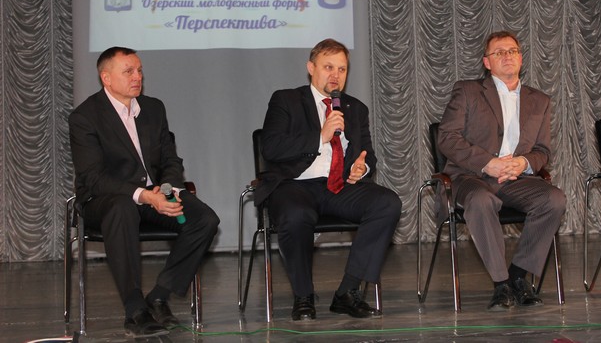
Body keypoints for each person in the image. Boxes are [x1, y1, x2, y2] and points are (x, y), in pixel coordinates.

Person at [69, 47, 220, 337]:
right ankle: (135, 310)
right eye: (128, 71)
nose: (137, 77)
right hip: (104, 201)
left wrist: (166, 190)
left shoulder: (153, 109)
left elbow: (170, 160)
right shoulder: (85, 117)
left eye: (139, 70)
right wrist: (145, 195)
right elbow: (93, 178)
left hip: (154, 195)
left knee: (204, 219)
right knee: (122, 208)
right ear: (106, 78)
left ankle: (159, 296)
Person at [254, 39, 401, 321]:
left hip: (339, 186)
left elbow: (368, 155)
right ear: (311, 68)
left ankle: (348, 291)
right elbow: (271, 148)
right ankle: (303, 296)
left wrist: (362, 168)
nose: (335, 75)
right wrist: (319, 136)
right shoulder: (286, 100)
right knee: (296, 214)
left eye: (342, 69)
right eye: (328, 67)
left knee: (387, 203)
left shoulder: (355, 108)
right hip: (294, 184)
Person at [437, 31, 566, 311]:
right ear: (487, 62)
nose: (507, 56)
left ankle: (518, 276)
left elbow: (543, 151)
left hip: (514, 180)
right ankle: (501, 284)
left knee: (554, 199)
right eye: (499, 52)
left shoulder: (540, 100)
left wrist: (523, 163)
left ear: (521, 58)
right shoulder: (468, 91)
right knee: (482, 200)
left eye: (513, 51)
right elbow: (447, 138)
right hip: (470, 177)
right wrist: (488, 162)